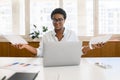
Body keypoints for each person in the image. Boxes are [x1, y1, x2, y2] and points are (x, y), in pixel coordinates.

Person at [13, 8, 104, 57]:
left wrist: (92, 46)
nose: (57, 22)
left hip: (68, 66)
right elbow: (39, 52)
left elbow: (79, 51)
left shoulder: (72, 34)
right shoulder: (46, 36)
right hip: (50, 67)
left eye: (60, 19)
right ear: (52, 20)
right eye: (54, 20)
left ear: (65, 20)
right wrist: (25, 46)